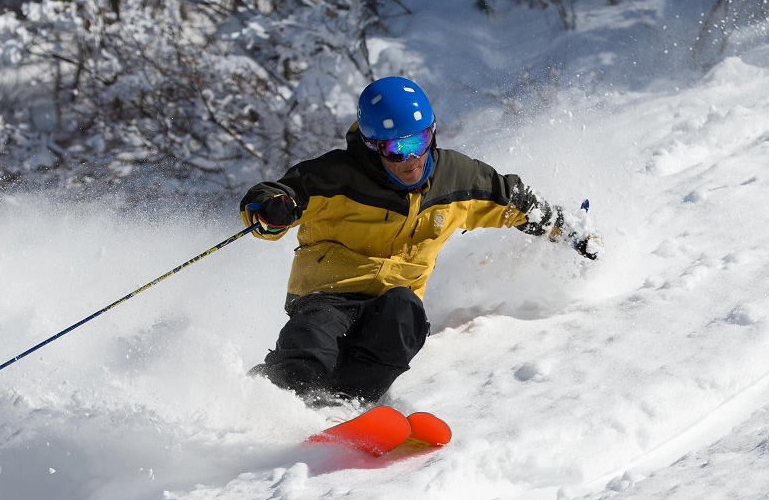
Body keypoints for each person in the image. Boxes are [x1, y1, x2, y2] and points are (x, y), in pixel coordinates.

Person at [240, 76, 600, 407]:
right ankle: (280, 397)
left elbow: (518, 203)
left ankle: (347, 404)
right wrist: (271, 210)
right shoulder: (336, 176)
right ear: (372, 145)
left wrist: (569, 231)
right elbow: (274, 196)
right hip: (329, 290)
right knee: (316, 340)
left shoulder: (456, 178)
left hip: (393, 300)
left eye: (420, 141)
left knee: (404, 316)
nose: (411, 157)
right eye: (397, 149)